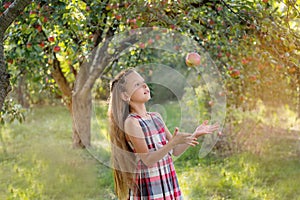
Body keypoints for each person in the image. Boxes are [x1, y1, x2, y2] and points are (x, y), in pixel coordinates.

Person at [108, 68, 220, 200]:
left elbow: (175, 151)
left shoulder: (156, 117)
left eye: (143, 82)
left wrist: (195, 134)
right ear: (125, 96)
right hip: (149, 185)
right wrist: (172, 142)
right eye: (137, 85)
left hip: (167, 181)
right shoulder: (132, 123)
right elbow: (148, 160)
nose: (144, 85)